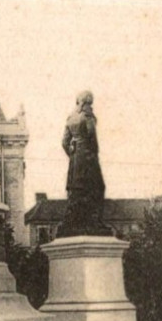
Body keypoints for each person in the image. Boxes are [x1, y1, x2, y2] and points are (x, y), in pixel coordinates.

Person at [57, 90, 111, 237]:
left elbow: (64, 142)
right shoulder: (87, 116)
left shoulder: (71, 118)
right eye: (89, 103)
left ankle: (75, 221)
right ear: (86, 102)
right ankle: (95, 221)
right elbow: (92, 136)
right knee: (98, 187)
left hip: (75, 160)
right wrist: (94, 154)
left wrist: (72, 154)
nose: (89, 106)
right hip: (88, 158)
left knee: (76, 190)